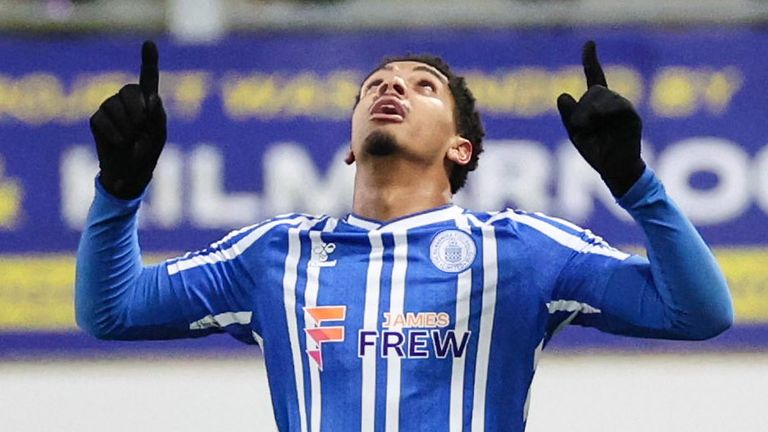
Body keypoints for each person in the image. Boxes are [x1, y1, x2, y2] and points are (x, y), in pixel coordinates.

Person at [76, 40, 733, 432]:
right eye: (375, 85)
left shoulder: (523, 250)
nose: (391, 87)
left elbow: (700, 312)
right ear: (349, 148)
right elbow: (113, 310)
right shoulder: (274, 254)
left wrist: (635, 183)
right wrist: (120, 192)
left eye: (423, 86)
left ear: (461, 146)